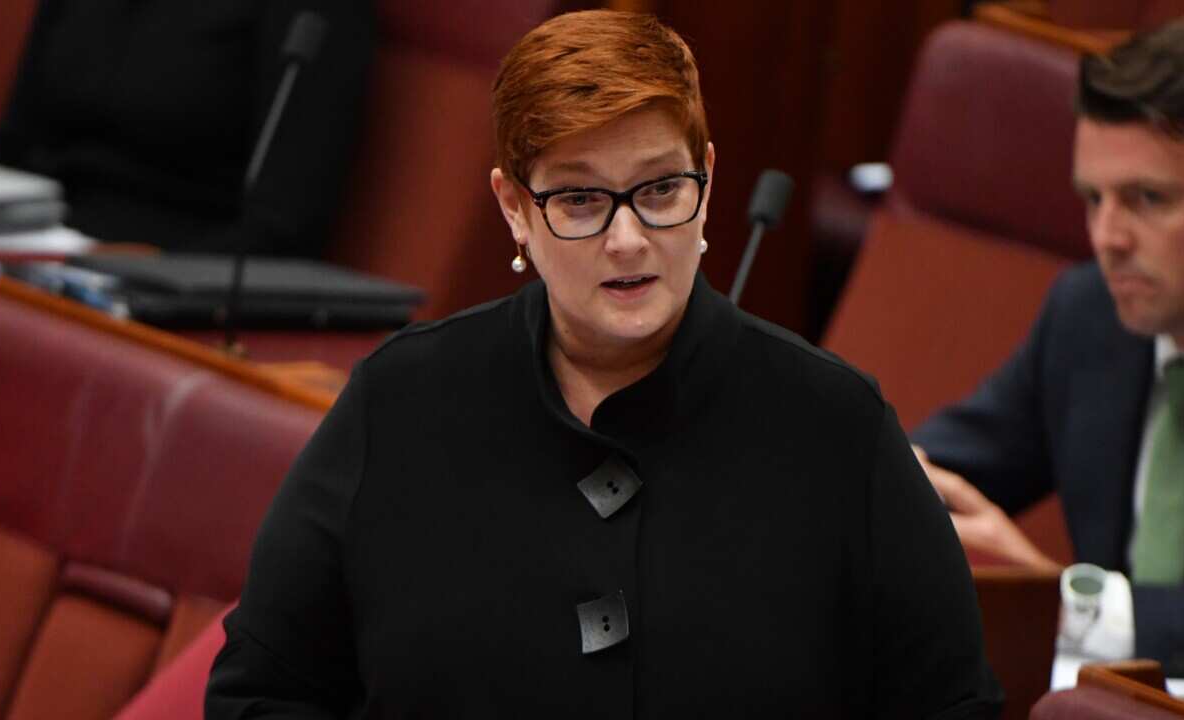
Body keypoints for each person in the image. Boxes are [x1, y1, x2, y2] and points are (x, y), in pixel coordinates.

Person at [206, 10, 1001, 717]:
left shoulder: (836, 428)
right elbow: (259, 690)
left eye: (659, 190)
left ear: (709, 180)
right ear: (514, 208)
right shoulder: (404, 402)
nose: (627, 240)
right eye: (581, 201)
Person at [912, 18, 1184, 678]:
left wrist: (1076, 605)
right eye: (1093, 198)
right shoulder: (1088, 318)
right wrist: (851, 475)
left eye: (1147, 199)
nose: (1107, 237)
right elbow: (952, 467)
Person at [0, 0, 372, 256]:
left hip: (170, 275)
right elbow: (13, 143)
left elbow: (282, 228)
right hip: (33, 247)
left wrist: (135, 274)